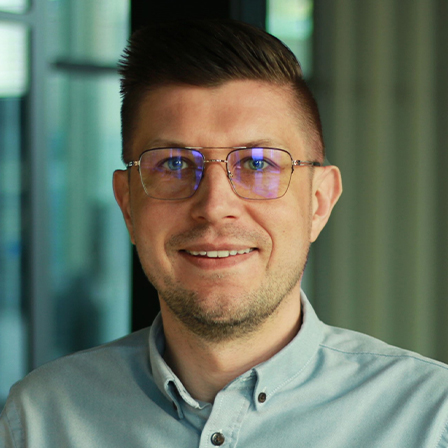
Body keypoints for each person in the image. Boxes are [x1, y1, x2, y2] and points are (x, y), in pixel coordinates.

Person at [1, 19, 448, 448]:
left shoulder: (432, 420)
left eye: (258, 163)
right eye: (174, 164)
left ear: (318, 202)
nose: (215, 206)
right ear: (128, 205)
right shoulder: (40, 421)